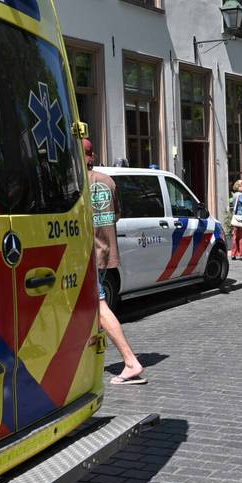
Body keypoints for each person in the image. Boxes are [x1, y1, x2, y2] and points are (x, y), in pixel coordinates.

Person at [83, 139, 145, 385]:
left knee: (98, 308)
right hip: (104, 251)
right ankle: (88, 362)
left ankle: (130, 362)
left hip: (86, 255)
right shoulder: (108, 181)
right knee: (88, 311)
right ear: (93, 154)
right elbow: (117, 215)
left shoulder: (77, 183)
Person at [227, 179, 242, 261]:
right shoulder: (241, 195)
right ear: (238, 186)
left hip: (236, 218)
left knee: (235, 236)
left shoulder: (234, 195)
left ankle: (233, 254)